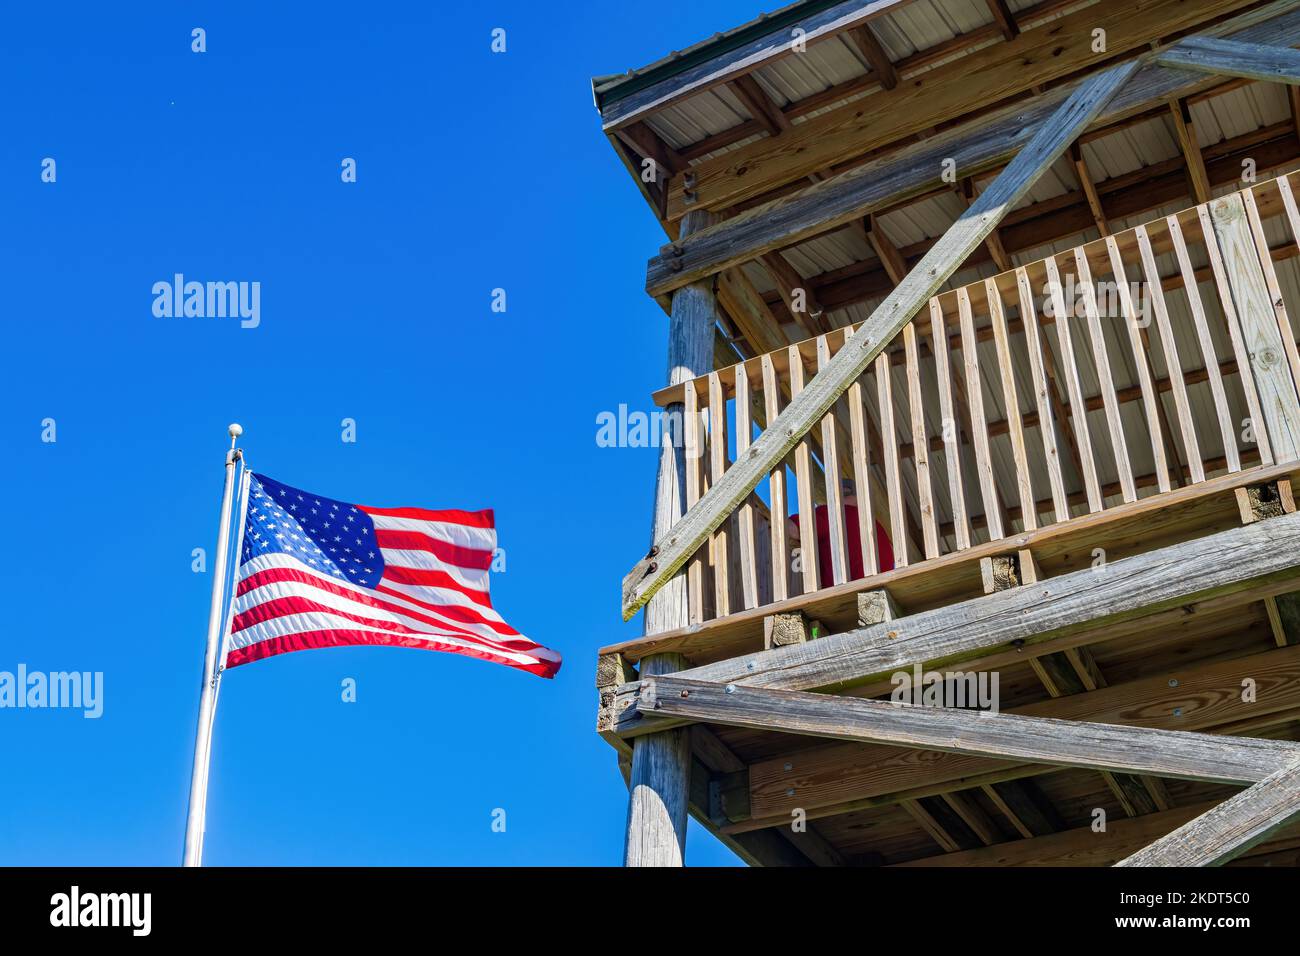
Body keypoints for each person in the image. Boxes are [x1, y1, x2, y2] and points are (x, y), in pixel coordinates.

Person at [788, 479, 894, 585]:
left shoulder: (831, 514)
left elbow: (793, 530)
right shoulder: (877, 526)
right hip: (884, 585)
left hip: (847, 590)